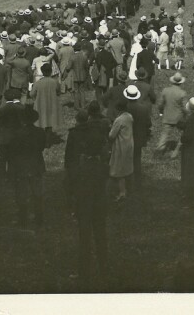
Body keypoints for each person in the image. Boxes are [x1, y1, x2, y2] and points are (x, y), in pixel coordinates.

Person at [64, 104, 110, 281]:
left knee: (84, 231)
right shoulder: (101, 167)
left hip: (83, 195)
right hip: (99, 196)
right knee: (100, 230)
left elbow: (69, 166)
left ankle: (84, 270)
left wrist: (70, 194)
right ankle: (104, 266)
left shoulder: (80, 167)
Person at [109, 87, 137, 202]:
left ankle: (122, 192)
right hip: (129, 143)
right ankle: (131, 188)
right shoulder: (129, 117)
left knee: (119, 170)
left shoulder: (119, 120)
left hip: (120, 146)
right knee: (128, 167)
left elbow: (111, 135)